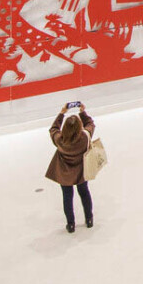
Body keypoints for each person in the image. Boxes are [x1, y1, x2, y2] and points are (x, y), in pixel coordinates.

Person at [47, 100, 96, 233]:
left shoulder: (60, 140)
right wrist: (82, 112)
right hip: (81, 172)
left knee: (67, 196)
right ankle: (89, 219)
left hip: (65, 173)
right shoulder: (85, 137)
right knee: (84, 193)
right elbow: (90, 124)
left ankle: (71, 224)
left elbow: (53, 129)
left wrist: (62, 114)